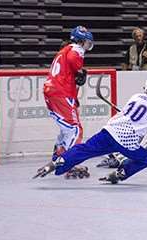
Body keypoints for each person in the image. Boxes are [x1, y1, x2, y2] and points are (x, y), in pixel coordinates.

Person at [34, 76, 147, 184]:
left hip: (110, 131)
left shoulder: (136, 96)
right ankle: (120, 174)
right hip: (127, 142)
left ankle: (56, 164)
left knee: (84, 149)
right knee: (145, 158)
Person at [42, 26, 94, 178]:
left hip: (53, 91)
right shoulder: (76, 49)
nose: (86, 46)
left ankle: (57, 156)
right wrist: (79, 70)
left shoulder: (63, 50)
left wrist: (73, 98)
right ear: (80, 41)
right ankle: (68, 163)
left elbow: (67, 74)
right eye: (86, 42)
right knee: (75, 129)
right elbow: (73, 58)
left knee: (66, 129)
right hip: (60, 93)